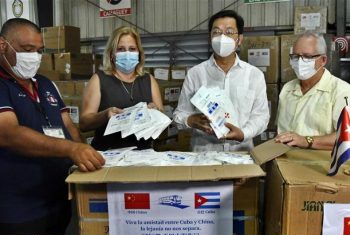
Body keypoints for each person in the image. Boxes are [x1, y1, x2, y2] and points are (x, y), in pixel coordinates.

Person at [0, 18, 105, 235]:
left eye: (39, 51)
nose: (34, 57)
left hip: (58, 201)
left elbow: (68, 125)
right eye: (28, 50)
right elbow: (7, 133)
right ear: (2, 45)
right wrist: (71, 149)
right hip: (19, 209)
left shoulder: (45, 84)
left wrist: (85, 156)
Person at [173, 10, 269, 152]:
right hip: (204, 154)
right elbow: (179, 114)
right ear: (210, 37)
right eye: (217, 32)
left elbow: (261, 117)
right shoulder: (195, 74)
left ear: (240, 39)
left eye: (229, 32)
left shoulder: (254, 75)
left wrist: (244, 134)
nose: (222, 37)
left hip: (242, 153)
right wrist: (190, 120)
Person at [80, 26, 163, 151]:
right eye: (121, 49)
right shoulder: (98, 80)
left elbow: (162, 119)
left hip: (143, 155)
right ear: (112, 54)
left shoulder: (148, 80)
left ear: (139, 53)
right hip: (108, 156)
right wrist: (105, 115)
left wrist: (155, 113)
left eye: (132, 49)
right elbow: (84, 124)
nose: (127, 53)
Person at [275, 32, 350, 150]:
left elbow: (347, 136)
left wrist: (306, 141)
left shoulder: (341, 91)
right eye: (295, 56)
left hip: (319, 164)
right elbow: (281, 130)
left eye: (307, 57)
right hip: (285, 159)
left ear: (323, 60)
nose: (299, 62)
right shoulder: (287, 89)